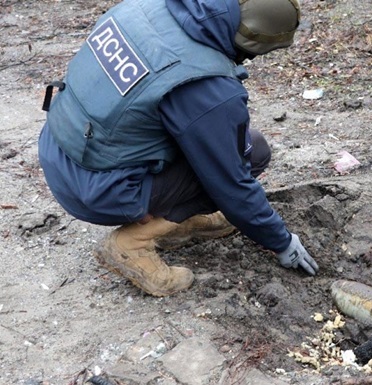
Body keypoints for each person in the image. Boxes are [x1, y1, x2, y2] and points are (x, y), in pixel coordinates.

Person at [38, 0, 319, 297]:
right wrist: (281, 241)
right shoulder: (204, 86)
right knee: (253, 152)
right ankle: (132, 244)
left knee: (213, 146)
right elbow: (232, 184)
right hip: (93, 190)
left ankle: (181, 221)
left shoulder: (149, 7)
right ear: (251, 44)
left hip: (56, 149)